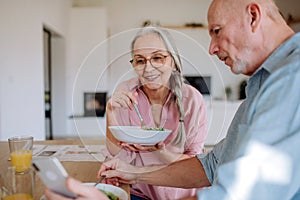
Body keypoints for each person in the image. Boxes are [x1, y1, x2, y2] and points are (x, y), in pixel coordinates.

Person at [45, 0, 300, 199]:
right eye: (140, 60)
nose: (211, 48)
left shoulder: (292, 77)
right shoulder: (263, 82)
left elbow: (236, 195)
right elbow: (211, 166)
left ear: (253, 16)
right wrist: (132, 173)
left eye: (217, 31)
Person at [103, 25, 208, 200]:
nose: (148, 68)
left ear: (172, 61)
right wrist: (110, 110)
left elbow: (196, 165)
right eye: (140, 60)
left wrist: (160, 152)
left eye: (157, 58)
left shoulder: (192, 99)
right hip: (140, 193)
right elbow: (117, 152)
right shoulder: (126, 91)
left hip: (181, 194)